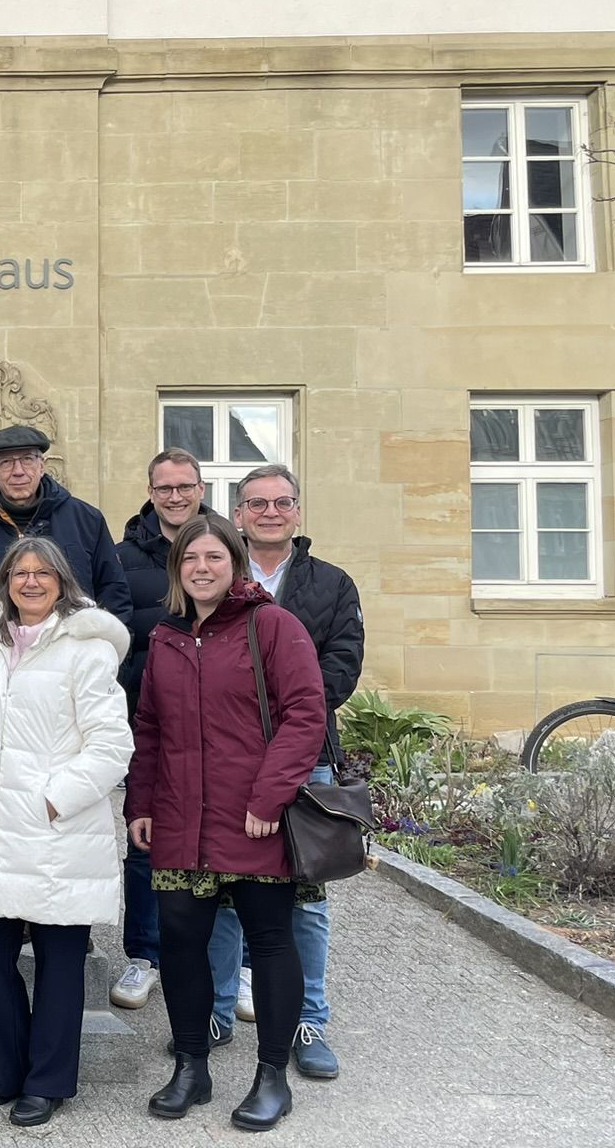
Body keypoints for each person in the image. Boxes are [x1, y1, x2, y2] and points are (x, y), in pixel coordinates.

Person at [126, 514, 325, 1134]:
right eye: (190, 560)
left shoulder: (272, 625)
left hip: (253, 820)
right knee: (181, 945)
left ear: (236, 564)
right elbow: (150, 729)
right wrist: (141, 804)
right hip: (183, 819)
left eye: (214, 557)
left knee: (268, 942)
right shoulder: (166, 637)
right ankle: (191, 1065)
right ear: (176, 570)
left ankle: (271, 1077)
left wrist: (269, 799)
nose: (202, 569)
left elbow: (305, 714)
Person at [0, 538, 133, 1128]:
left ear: (62, 581)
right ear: (5, 581)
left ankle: (47, 1081)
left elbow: (112, 746)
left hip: (56, 832)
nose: (30, 582)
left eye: (42, 573)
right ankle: (4, 1071)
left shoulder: (86, 648)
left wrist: (55, 800)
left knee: (59, 960)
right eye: (19, 572)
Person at [208, 464, 366, 1081]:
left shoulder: (331, 584)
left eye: (282, 502)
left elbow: (341, 672)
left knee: (305, 896)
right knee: (220, 890)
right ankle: (219, 1010)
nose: (269, 512)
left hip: (307, 755)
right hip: (225, 756)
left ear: (297, 511)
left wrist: (271, 711)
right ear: (238, 513)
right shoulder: (218, 574)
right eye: (256, 503)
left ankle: (309, 1021)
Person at [0, 425, 130, 722]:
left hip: (71, 689)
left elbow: (114, 599)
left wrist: (102, 667)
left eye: (27, 460)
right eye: (6, 462)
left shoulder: (85, 521)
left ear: (43, 466)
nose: (18, 471)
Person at [112, 448, 210, 1012]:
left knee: (220, 840)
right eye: (164, 488)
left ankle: (220, 956)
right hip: (147, 719)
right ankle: (143, 955)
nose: (175, 496)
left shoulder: (224, 550)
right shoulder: (124, 558)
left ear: (200, 489)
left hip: (219, 724)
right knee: (144, 834)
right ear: (150, 492)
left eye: (185, 486)